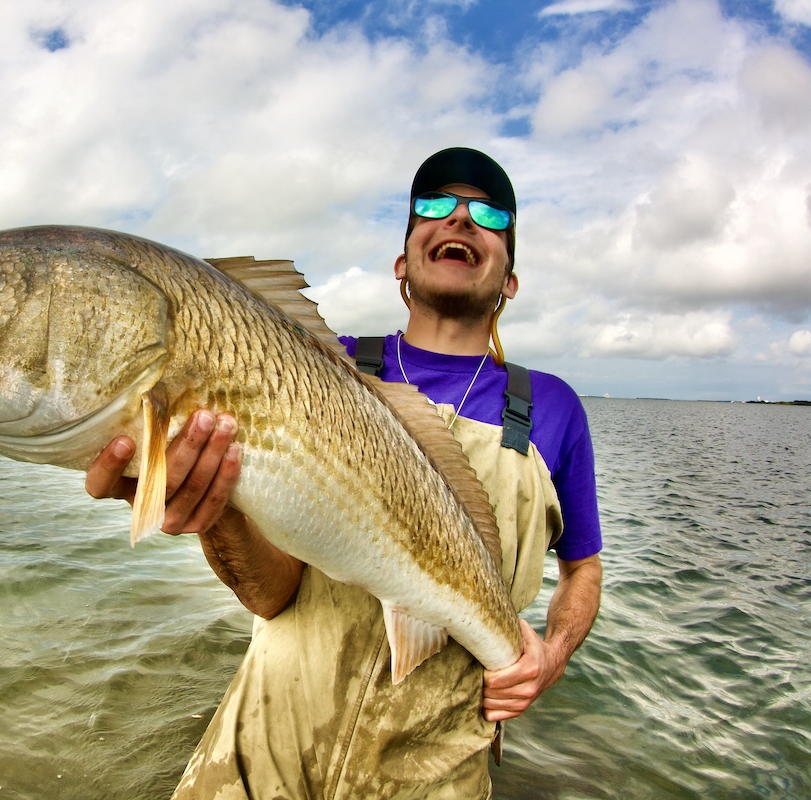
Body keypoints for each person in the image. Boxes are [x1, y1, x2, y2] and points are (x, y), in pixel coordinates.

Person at [85, 147, 603, 799]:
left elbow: (583, 567)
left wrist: (552, 652)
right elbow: (271, 598)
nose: (459, 220)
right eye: (434, 206)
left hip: (434, 780)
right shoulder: (312, 368)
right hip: (258, 762)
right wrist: (216, 511)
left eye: (488, 213)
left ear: (511, 280)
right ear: (401, 264)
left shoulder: (552, 408)